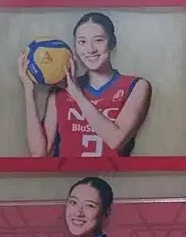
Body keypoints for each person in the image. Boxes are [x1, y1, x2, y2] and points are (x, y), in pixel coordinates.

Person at [19, 12, 152, 158]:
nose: (90, 49)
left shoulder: (137, 86)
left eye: (98, 40)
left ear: (112, 42)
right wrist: (28, 90)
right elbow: (39, 154)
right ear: (74, 48)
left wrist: (77, 95)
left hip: (111, 172)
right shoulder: (59, 92)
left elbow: (115, 141)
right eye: (82, 42)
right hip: (68, 172)